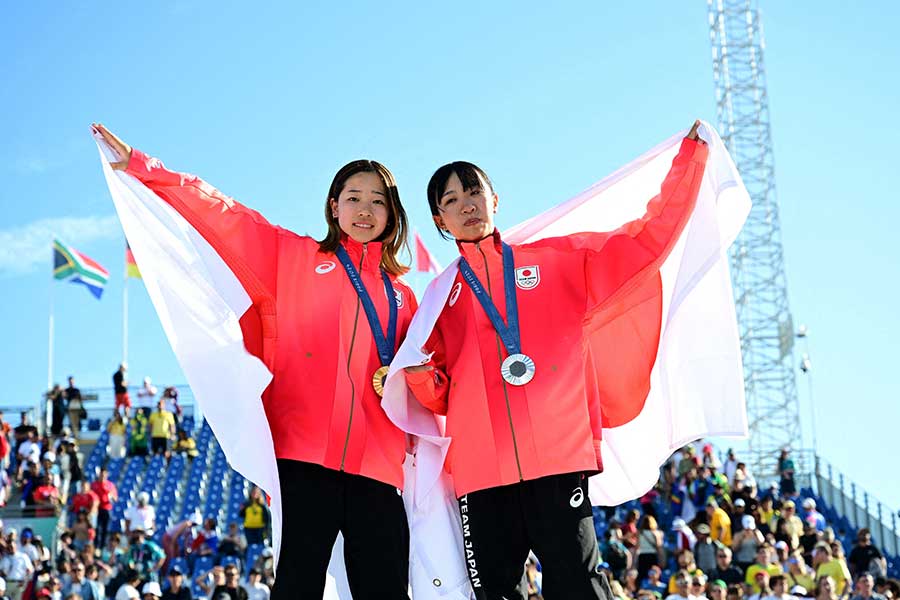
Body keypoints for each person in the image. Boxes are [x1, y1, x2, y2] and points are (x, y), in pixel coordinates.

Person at [95, 123, 417, 600]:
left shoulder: (403, 296)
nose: (365, 209)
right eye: (353, 197)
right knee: (297, 585)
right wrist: (147, 169)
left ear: (393, 213)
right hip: (306, 458)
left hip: (380, 467)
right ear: (334, 206)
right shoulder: (293, 258)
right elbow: (223, 214)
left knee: (387, 589)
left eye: (378, 200)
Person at [405, 121, 708, 599]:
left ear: (494, 199)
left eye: (473, 192)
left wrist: (689, 162)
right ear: (440, 221)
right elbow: (439, 393)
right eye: (449, 201)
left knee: (580, 588)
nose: (465, 205)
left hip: (557, 462)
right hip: (482, 478)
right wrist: (421, 380)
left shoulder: (555, 261)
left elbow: (645, 244)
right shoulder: (441, 298)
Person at [90, 467, 117, 550]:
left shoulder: (110, 485)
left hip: (107, 509)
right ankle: (96, 546)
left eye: (104, 475)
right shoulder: (94, 485)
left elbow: (115, 498)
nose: (102, 476)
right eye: (101, 475)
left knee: (105, 529)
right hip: (97, 509)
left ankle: (103, 547)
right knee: (97, 528)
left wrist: (111, 496)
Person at [637, 516, 665, 582]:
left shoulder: (640, 533)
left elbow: (637, 546)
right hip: (652, 556)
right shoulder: (655, 533)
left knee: (642, 575)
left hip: (642, 556)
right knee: (654, 574)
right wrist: (662, 559)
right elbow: (659, 547)